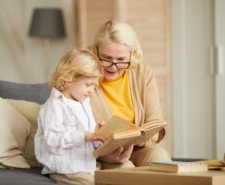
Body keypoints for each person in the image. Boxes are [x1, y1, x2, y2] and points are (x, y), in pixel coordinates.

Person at [87, 19, 171, 168]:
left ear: (132, 55)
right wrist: (106, 153)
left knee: (160, 158)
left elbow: (154, 122)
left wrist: (133, 139)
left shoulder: (143, 74)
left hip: (139, 148)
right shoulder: (84, 75)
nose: (113, 67)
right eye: (106, 58)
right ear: (95, 51)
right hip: (101, 152)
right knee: (125, 168)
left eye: (121, 60)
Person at [34, 49, 105, 185]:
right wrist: (85, 136)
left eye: (94, 86)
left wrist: (97, 133)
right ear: (67, 80)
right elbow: (52, 140)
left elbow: (88, 140)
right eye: (88, 85)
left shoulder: (84, 102)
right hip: (65, 168)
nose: (92, 90)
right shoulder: (54, 106)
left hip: (86, 166)